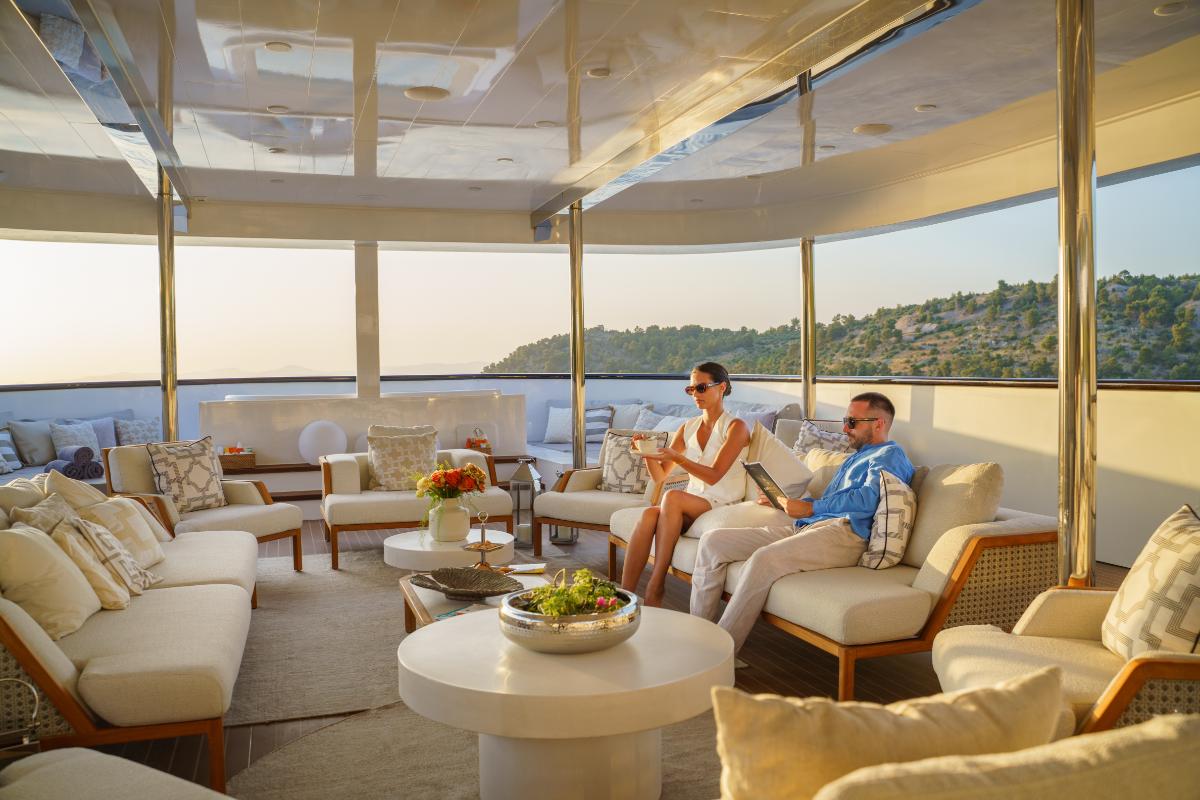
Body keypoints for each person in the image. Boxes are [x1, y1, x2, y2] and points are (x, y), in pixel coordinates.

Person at [689, 392, 914, 652]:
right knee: (713, 542)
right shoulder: (855, 457)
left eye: (852, 422)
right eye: (845, 421)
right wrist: (785, 503)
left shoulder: (890, 454)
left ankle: (720, 653)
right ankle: (698, 638)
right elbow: (830, 501)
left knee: (764, 559)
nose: (845, 429)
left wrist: (811, 507)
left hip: (846, 536)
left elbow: (868, 498)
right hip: (810, 527)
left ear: (879, 424)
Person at [620, 362, 751, 607]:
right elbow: (660, 477)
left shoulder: (736, 427)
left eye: (701, 388)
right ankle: (623, 598)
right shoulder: (688, 427)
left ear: (722, 387)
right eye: (691, 389)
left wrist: (679, 458)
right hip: (691, 504)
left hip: (722, 504)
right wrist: (646, 453)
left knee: (672, 497)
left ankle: (656, 583)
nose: (695, 394)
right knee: (649, 515)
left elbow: (714, 476)